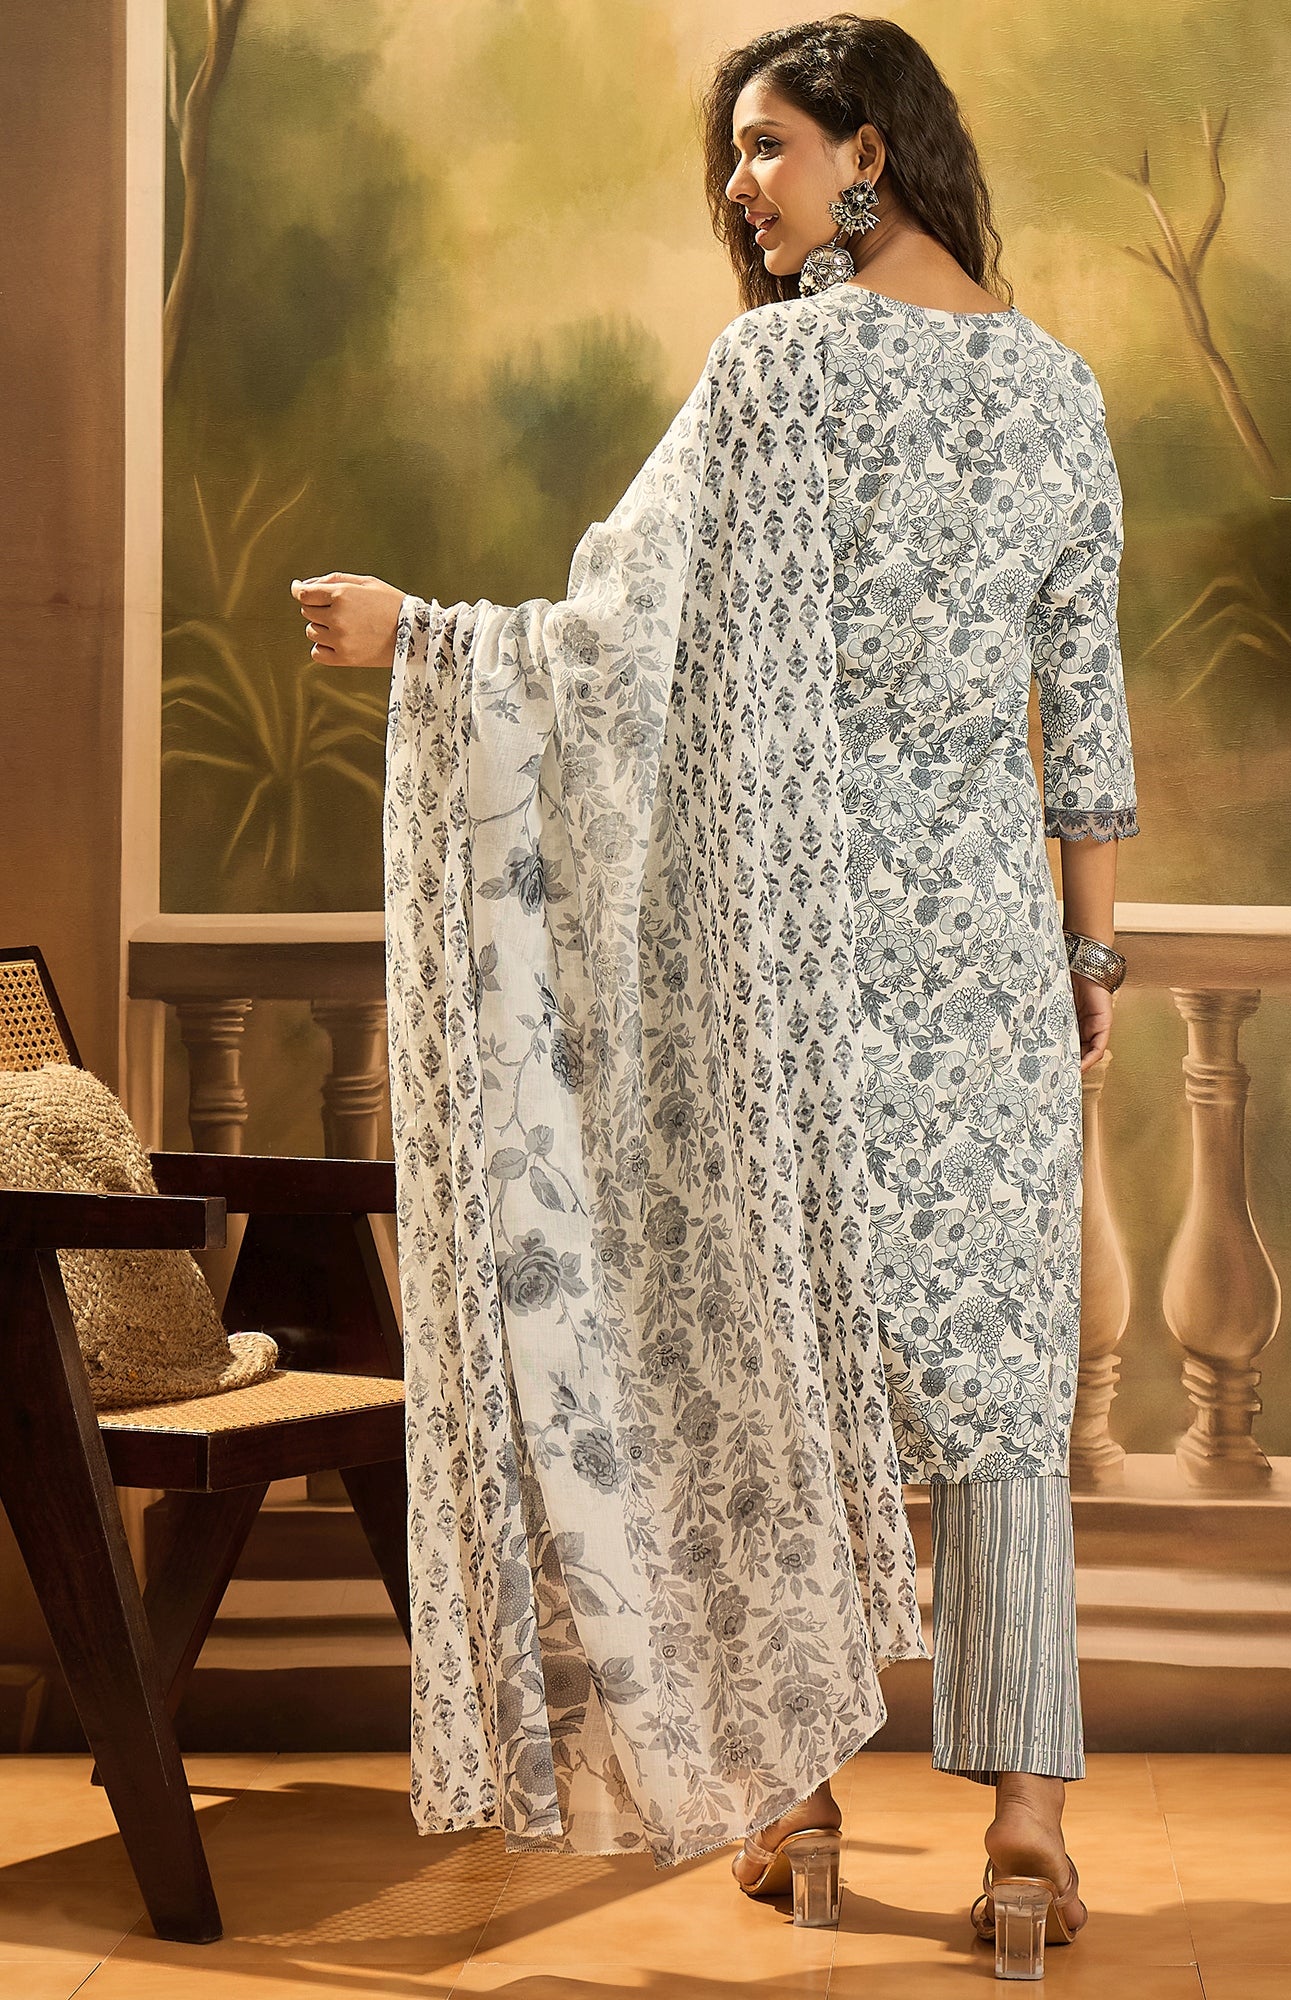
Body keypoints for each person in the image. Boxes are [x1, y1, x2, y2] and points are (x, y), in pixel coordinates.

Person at [290, 11, 1136, 1954]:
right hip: (989, 968)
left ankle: (796, 1800)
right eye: (738, 154)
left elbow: (616, 640)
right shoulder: (1059, 393)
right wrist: (1088, 954)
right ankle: (1028, 1835)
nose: (744, 189)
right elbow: (1084, 719)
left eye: (770, 146)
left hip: (791, 968)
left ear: (871, 149)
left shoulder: (771, 378)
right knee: (1001, 1395)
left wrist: (425, 638)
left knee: (779, 1357)